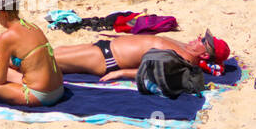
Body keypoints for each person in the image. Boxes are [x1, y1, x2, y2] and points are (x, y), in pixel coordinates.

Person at [53, 30, 230, 81]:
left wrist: (122, 73)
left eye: (203, 41)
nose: (198, 37)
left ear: (205, 55)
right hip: (104, 47)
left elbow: (156, 71)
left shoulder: (185, 60)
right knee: (56, 51)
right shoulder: (185, 48)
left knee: (47, 60)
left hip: (106, 59)